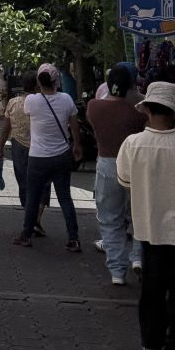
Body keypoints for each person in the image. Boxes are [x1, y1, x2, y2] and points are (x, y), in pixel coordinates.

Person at [116, 81, 175, 350]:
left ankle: (151, 342)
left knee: (152, 293)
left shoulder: (133, 144)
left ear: (147, 110)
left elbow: (125, 180)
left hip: (150, 229)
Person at [13, 63, 83, 252]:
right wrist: (76, 145)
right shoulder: (67, 99)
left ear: (38, 81)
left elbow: (29, 115)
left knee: (33, 197)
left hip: (38, 157)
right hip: (61, 155)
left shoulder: (31, 101)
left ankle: (26, 234)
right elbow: (74, 125)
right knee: (65, 198)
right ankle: (73, 238)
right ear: (56, 80)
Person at [86, 65, 146, 284]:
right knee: (139, 216)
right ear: (133, 83)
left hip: (107, 166)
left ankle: (117, 272)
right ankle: (138, 258)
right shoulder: (140, 111)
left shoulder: (94, 107)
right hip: (137, 165)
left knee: (110, 219)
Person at [0, 72, 50, 233]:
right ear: (37, 85)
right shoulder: (44, 103)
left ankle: (30, 218)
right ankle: (36, 219)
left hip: (18, 147)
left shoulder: (13, 103)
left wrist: (0, 150)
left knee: (24, 183)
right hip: (40, 148)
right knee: (44, 184)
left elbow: (6, 129)